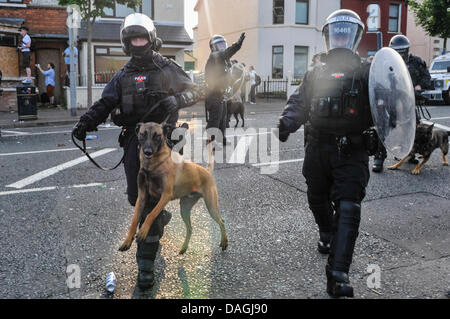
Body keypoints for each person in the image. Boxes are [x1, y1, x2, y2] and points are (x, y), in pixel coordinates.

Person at [71, 13, 200, 290]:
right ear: (127, 42)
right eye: (133, 38)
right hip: (134, 144)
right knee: (136, 199)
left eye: (142, 36)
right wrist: (85, 123)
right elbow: (105, 103)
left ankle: (145, 267)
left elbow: (197, 90)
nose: (138, 41)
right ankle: (159, 218)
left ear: (151, 39)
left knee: (149, 203)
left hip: (164, 143)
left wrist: (176, 99)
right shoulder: (122, 76)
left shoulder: (168, 68)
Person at [277, 9, 374, 298]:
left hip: (353, 150)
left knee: (348, 207)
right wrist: (286, 123)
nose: (341, 38)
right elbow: (299, 103)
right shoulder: (315, 73)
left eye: (346, 33)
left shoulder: (368, 72)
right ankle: (326, 231)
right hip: (318, 148)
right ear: (329, 37)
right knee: (317, 198)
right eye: (337, 32)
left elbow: (387, 106)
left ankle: (337, 274)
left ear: (355, 36)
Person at [372, 34, 432, 172]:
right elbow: (377, 79)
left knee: (414, 128)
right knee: (382, 126)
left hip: (408, 102)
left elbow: (426, 78)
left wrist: (420, 86)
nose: (400, 54)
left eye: (402, 51)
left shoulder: (416, 62)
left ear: (407, 50)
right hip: (390, 100)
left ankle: (410, 153)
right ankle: (379, 156)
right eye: (397, 51)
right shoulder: (386, 63)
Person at [205, 33, 245, 145]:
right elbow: (227, 53)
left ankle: (222, 140)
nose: (222, 47)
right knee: (215, 120)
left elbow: (228, 80)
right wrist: (237, 44)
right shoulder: (214, 57)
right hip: (213, 95)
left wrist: (235, 78)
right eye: (219, 45)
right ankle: (210, 142)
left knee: (223, 119)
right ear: (213, 47)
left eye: (223, 44)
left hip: (221, 94)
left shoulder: (224, 61)